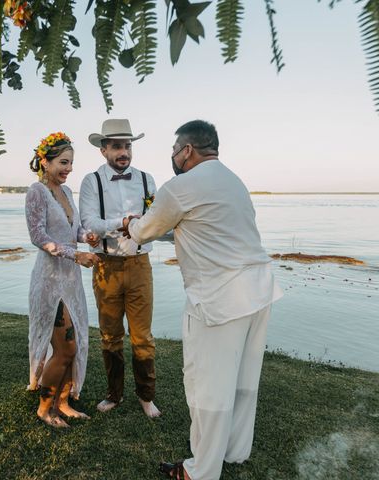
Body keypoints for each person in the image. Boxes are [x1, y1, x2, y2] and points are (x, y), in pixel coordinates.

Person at [121, 120, 283, 479]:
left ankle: (201, 471)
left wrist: (131, 222)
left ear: (187, 150)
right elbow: (201, 228)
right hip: (258, 290)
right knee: (243, 381)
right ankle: (235, 451)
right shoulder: (233, 181)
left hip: (219, 297)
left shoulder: (180, 186)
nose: (173, 158)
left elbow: (146, 229)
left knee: (206, 385)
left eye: (174, 151)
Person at [79, 119, 161, 418]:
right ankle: (114, 394)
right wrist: (123, 223)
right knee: (110, 335)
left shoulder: (147, 179)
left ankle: (146, 396)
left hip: (140, 265)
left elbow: (155, 220)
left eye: (127, 145)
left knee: (143, 336)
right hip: (106, 267)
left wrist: (142, 227)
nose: (123, 151)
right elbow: (89, 224)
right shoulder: (91, 182)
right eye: (116, 146)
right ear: (104, 151)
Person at [25, 131, 102, 428]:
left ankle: (64, 402)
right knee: (65, 347)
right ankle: (45, 408)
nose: (68, 169)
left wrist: (87, 236)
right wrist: (76, 255)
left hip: (71, 281)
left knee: (77, 341)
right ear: (44, 162)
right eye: (62, 162)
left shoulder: (68, 193)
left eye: (70, 163)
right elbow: (39, 237)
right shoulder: (37, 192)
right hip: (49, 281)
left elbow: (75, 229)